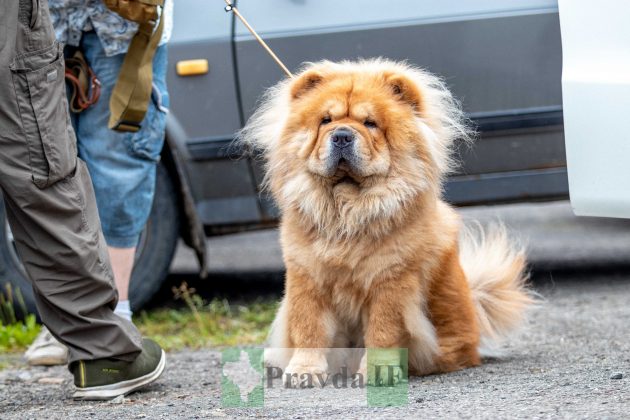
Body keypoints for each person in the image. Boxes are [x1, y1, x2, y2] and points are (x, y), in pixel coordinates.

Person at [1, 0, 165, 400]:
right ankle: (99, 343)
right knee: (42, 169)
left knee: (114, 164)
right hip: (41, 22)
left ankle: (114, 312)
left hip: (118, 22)